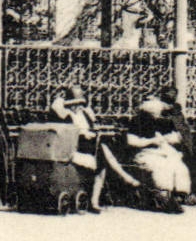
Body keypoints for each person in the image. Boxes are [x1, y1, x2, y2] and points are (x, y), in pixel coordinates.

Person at [48, 84, 135, 213]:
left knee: (102, 152)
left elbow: (94, 126)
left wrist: (91, 131)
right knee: (103, 153)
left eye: (80, 102)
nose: (77, 106)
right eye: (74, 102)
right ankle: (122, 177)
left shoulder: (84, 113)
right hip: (75, 145)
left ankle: (97, 199)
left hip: (89, 145)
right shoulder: (66, 115)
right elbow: (67, 132)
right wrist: (83, 134)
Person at [122, 89, 191, 213]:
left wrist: (168, 139)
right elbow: (131, 141)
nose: (157, 116)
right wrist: (151, 141)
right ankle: (164, 196)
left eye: (157, 113)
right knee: (161, 166)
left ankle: (179, 194)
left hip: (163, 151)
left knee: (178, 165)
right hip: (145, 152)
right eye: (154, 113)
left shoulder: (162, 122)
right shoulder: (136, 122)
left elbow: (176, 137)